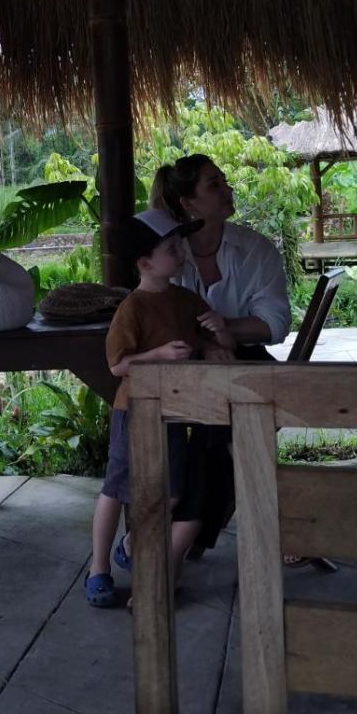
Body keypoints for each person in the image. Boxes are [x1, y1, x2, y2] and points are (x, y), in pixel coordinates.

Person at [85, 208, 236, 609]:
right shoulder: (132, 308)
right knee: (116, 489)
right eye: (172, 249)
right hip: (134, 411)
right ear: (145, 263)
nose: (181, 253)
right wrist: (159, 354)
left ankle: (131, 544)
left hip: (174, 411)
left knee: (171, 492)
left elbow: (208, 340)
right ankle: (98, 568)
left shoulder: (185, 299)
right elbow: (118, 365)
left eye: (179, 247)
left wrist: (217, 339)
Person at [151, 153, 292, 549]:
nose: (228, 189)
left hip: (244, 364)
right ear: (188, 203)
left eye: (224, 181)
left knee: (219, 419)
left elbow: (274, 325)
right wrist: (207, 344)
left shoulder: (254, 249)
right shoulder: (169, 255)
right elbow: (157, 320)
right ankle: (274, 527)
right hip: (185, 371)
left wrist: (223, 330)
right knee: (228, 422)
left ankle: (180, 542)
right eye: (214, 185)